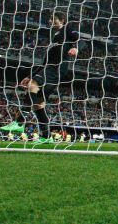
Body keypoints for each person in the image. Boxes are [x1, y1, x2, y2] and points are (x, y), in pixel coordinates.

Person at [18, 11, 79, 143]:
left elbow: (76, 36)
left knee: (33, 86)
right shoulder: (55, 38)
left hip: (56, 68)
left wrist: (75, 47)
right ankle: (46, 137)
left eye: (53, 19)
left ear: (61, 20)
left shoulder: (66, 29)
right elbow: (44, 64)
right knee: (38, 105)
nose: (50, 21)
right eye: (50, 19)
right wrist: (30, 76)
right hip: (50, 69)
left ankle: (18, 123)